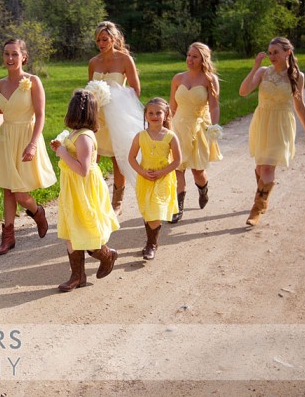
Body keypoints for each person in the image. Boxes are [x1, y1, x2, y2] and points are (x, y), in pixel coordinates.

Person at [0, 39, 56, 255]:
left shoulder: (32, 81)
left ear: (23, 57)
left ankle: (37, 212)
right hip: (7, 138)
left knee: (20, 193)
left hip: (26, 136)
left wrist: (33, 144)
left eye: (14, 54)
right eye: (6, 54)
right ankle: (8, 237)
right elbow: (0, 111)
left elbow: (41, 114)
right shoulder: (0, 84)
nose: (10, 58)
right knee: (8, 188)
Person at [239, 37, 305, 226]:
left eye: (276, 52)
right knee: (259, 166)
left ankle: (256, 208)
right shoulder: (264, 72)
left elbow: (299, 104)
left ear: (287, 52)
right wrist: (255, 66)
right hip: (262, 121)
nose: (272, 56)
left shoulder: (298, 76)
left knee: (267, 168)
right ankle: (263, 198)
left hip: (281, 124)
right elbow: (243, 91)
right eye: (270, 52)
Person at [50, 90, 120, 292]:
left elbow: (82, 169)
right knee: (72, 231)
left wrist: (63, 153)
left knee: (86, 231)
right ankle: (77, 276)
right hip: (72, 189)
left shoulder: (85, 138)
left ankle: (107, 255)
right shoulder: (75, 134)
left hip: (83, 190)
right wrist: (60, 149)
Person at [88, 21, 144, 215]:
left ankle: (117, 202)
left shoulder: (125, 59)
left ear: (113, 39)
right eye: (98, 40)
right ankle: (92, 197)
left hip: (117, 115)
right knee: (91, 157)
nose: (101, 43)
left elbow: (136, 89)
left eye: (104, 39)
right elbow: (89, 88)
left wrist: (117, 97)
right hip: (97, 116)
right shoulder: (93, 62)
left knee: (117, 157)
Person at [169, 42, 223, 223]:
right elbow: (172, 107)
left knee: (197, 171)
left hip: (199, 127)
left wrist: (214, 127)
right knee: (177, 168)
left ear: (203, 59)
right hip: (178, 126)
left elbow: (214, 106)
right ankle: (178, 208)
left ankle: (203, 189)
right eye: (188, 55)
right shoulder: (178, 78)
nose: (189, 60)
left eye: (194, 57)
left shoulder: (209, 79)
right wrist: (166, 129)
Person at [128, 98, 181, 260]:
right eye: (150, 113)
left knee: (156, 209)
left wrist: (162, 172)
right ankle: (151, 242)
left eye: (158, 112)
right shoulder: (140, 136)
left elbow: (178, 160)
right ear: (145, 115)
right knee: (147, 210)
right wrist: (142, 172)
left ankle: (151, 245)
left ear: (165, 115)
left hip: (163, 178)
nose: (154, 115)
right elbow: (131, 158)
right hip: (145, 179)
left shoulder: (170, 137)